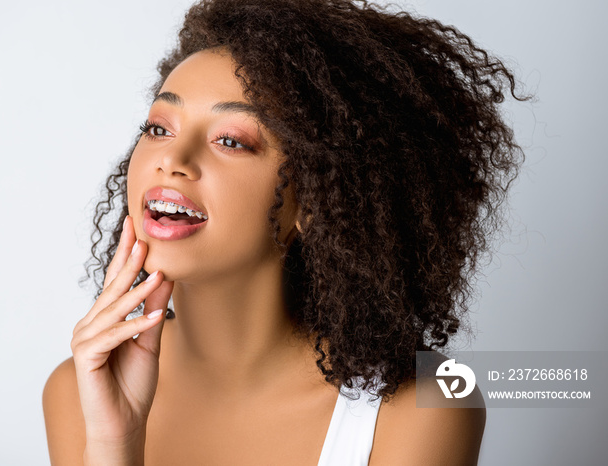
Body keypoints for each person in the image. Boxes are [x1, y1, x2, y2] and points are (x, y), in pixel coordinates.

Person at [43, 0, 525, 464]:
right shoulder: (79, 390)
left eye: (231, 140)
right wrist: (112, 444)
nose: (172, 158)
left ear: (313, 201)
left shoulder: (427, 402)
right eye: (159, 128)